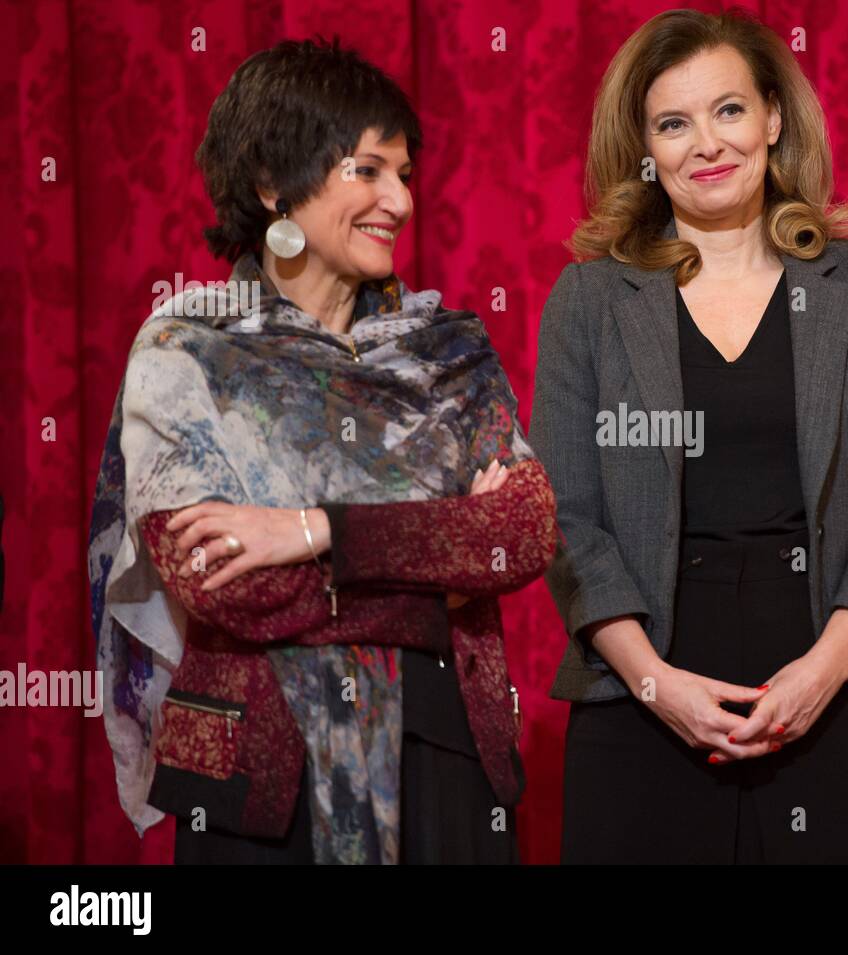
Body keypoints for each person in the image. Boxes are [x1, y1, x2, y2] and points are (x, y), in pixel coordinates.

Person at [87, 38, 556, 865]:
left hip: (444, 766)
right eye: (368, 170)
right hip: (259, 791)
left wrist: (313, 529)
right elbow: (221, 586)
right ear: (274, 184)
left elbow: (519, 530)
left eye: (405, 174)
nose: (400, 200)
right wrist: (435, 576)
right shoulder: (187, 348)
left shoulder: (448, 351)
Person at [530, 8, 848, 863]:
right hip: (641, 706)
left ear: (772, 116)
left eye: (728, 110)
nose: (706, 144)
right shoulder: (589, 300)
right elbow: (566, 518)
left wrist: (822, 673)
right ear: (646, 149)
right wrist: (659, 685)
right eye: (673, 123)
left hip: (833, 703)